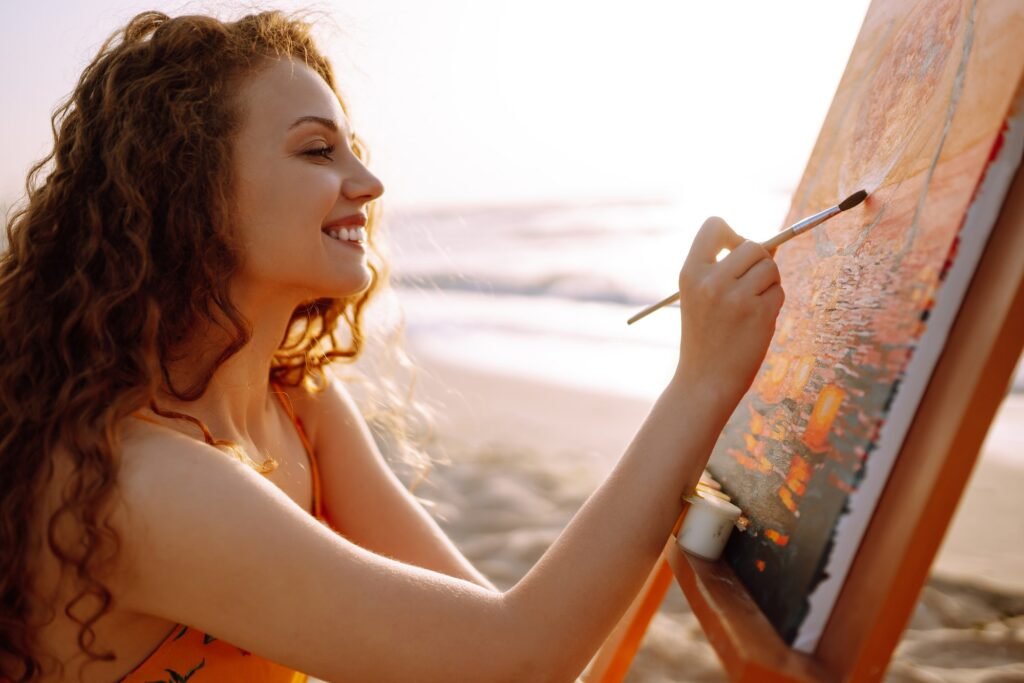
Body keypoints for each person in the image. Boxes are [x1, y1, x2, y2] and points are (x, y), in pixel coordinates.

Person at [0, 10, 783, 683]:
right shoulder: (140, 479)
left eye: (352, 148)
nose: (368, 183)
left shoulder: (293, 403)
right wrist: (700, 382)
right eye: (317, 151)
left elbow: (496, 629)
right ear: (189, 189)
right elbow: (512, 661)